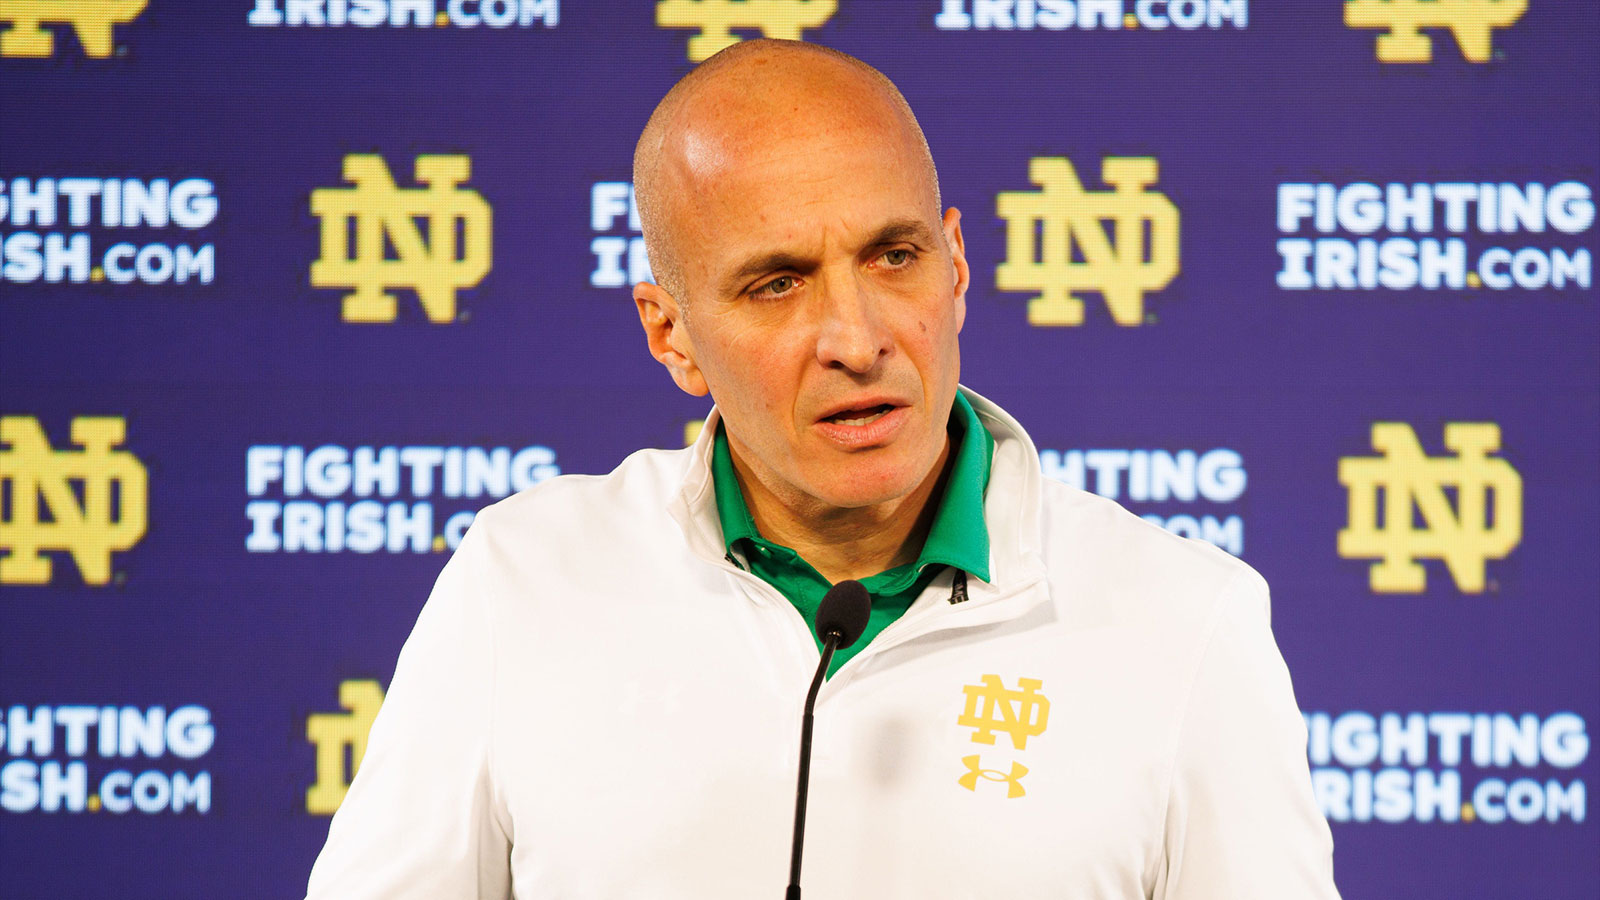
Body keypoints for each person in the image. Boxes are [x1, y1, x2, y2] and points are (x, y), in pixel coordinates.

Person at [305, 40, 1341, 899]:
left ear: (957, 265)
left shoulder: (1184, 619)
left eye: (893, 258)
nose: (855, 337)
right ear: (670, 335)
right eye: (776, 283)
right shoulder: (521, 580)